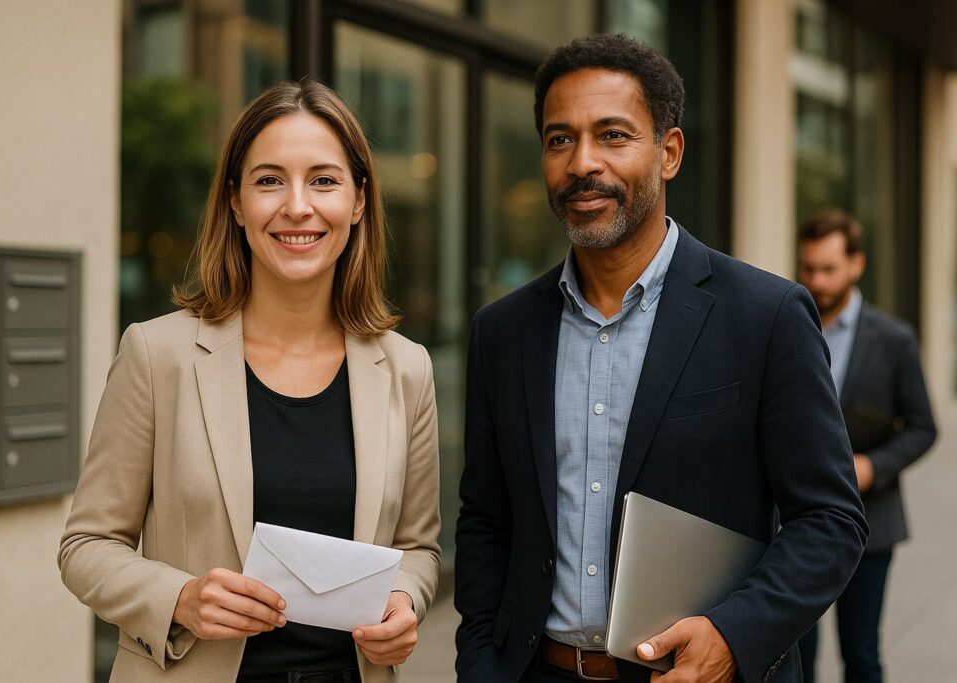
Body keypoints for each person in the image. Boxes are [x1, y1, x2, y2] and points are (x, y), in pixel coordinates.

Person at [454, 33, 867, 683]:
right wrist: (479, 665)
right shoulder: (502, 332)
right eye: (560, 139)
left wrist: (734, 635)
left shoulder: (766, 316)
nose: (582, 162)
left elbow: (831, 521)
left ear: (668, 152)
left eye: (612, 135)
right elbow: (486, 520)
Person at [59, 79, 441, 683]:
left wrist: (406, 601)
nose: (298, 206)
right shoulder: (157, 355)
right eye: (269, 181)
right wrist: (180, 598)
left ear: (359, 201)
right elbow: (86, 546)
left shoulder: (406, 369)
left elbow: (418, 549)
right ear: (236, 203)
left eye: (324, 180)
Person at [796, 209, 935, 683]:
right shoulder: (786, 321)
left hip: (870, 523)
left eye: (828, 269)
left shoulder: (895, 340)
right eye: (809, 268)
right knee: (794, 655)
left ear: (857, 264)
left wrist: (874, 466)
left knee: (861, 653)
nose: (817, 281)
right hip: (795, 524)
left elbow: (923, 426)